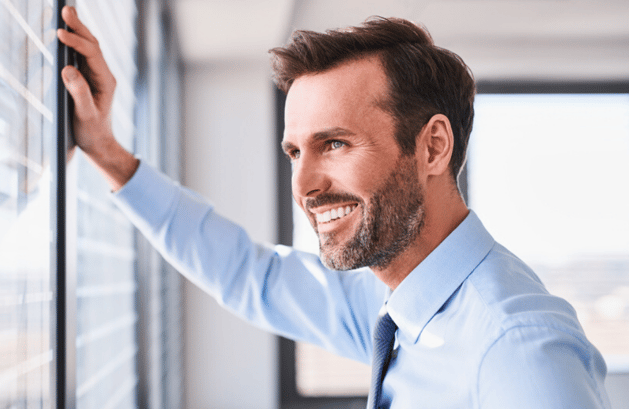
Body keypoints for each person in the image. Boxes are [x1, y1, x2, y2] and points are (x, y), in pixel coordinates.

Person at [57, 5, 611, 408]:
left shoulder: (518, 352)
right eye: (295, 151)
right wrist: (105, 151)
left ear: (433, 147)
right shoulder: (398, 303)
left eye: (335, 144)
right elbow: (252, 275)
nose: (305, 185)